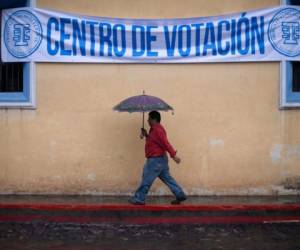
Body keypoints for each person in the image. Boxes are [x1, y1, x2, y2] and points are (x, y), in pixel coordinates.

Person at [129, 110, 187, 205]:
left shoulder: (157, 130)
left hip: (155, 160)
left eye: (149, 119)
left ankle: (139, 198)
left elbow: (165, 143)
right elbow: (155, 142)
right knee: (168, 178)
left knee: (146, 179)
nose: (147, 121)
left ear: (154, 119)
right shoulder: (155, 130)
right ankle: (179, 194)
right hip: (160, 160)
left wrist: (174, 156)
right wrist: (146, 135)